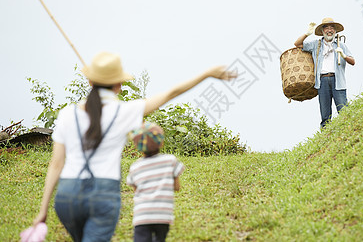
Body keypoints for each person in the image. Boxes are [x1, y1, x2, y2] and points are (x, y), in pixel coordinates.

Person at [31, 51, 237, 242]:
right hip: (103, 194)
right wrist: (207, 74)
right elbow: (172, 92)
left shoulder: (67, 114)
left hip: (67, 196)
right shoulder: (126, 111)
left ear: (90, 81)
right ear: (119, 84)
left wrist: (43, 209)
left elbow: (56, 164)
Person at [126, 122, 183, 242]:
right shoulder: (171, 160)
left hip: (142, 215)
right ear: (161, 142)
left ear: (137, 146)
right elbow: (177, 187)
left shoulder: (135, 167)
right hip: (163, 214)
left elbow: (136, 191)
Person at [294, 17, 355, 128]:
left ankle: (349, 132)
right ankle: (326, 139)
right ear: (322, 31)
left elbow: (353, 61)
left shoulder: (341, 45)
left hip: (338, 81)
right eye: (326, 28)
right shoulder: (316, 44)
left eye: (332, 28)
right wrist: (307, 34)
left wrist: (344, 56)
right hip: (322, 82)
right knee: (325, 115)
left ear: (335, 31)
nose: (329, 30)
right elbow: (297, 44)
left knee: (344, 111)